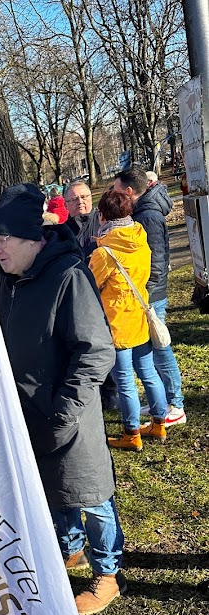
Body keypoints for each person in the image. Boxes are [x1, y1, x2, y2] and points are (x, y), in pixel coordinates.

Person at [0, 183, 124, 615]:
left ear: (33, 238)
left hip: (70, 414)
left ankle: (108, 574)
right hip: (26, 414)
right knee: (52, 491)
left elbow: (96, 351)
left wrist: (64, 412)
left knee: (91, 495)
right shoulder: (5, 283)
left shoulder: (67, 275)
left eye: (2, 239)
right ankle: (71, 550)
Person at [89, 189, 168, 451]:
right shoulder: (139, 237)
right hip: (140, 316)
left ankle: (131, 433)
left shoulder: (105, 253)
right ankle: (159, 424)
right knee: (148, 372)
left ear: (102, 216)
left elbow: (91, 284)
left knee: (124, 380)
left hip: (117, 324)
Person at [112, 167, 185, 426]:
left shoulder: (148, 216)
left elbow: (156, 260)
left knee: (160, 348)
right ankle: (163, 402)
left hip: (150, 296)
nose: (114, 194)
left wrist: (146, 293)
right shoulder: (142, 211)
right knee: (152, 350)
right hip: (145, 296)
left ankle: (176, 405)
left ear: (129, 191)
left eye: (117, 190)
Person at [64, 179, 100, 257]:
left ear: (91, 198)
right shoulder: (62, 232)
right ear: (65, 205)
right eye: (74, 199)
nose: (80, 201)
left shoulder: (104, 220)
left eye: (83, 197)